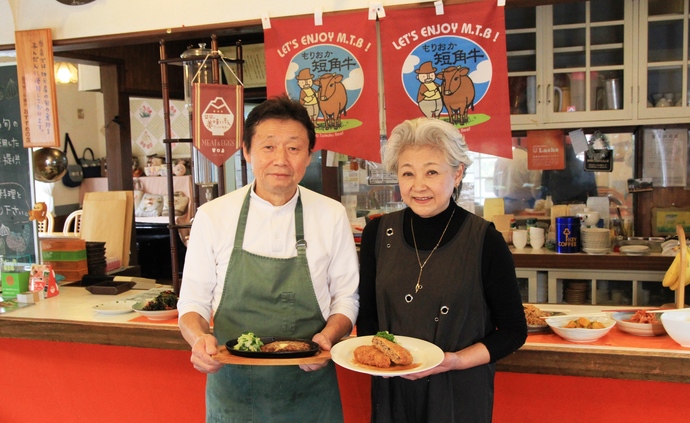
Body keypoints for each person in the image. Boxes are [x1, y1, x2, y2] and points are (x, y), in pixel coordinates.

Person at [177, 95, 359, 423]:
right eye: (268, 147)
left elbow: (346, 298)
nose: (281, 160)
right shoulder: (213, 216)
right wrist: (198, 338)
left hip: (309, 388)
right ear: (247, 152)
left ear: (309, 156)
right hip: (233, 391)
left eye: (293, 148)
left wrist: (328, 337)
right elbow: (192, 301)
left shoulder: (331, 215)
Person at [357, 117, 527, 422]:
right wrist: (383, 361)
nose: (418, 185)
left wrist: (455, 361)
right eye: (407, 173)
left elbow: (514, 331)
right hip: (392, 394)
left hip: (458, 393)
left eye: (432, 172)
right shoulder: (377, 234)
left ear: (457, 173)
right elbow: (368, 317)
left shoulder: (484, 240)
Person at [493, 145, 542, 213]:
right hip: (524, 206)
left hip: (503, 206)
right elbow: (536, 188)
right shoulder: (530, 159)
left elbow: (495, 189)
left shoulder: (500, 159)